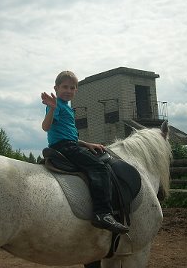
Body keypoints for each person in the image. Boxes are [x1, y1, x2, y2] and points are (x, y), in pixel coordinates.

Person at [41, 70, 129, 234]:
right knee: (99, 168)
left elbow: (68, 135)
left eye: (72, 88)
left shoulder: (67, 107)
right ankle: (102, 213)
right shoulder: (56, 105)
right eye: (65, 87)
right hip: (65, 147)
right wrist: (51, 109)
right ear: (56, 88)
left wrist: (87, 144)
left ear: (76, 90)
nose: (68, 90)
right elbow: (46, 127)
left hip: (69, 144)